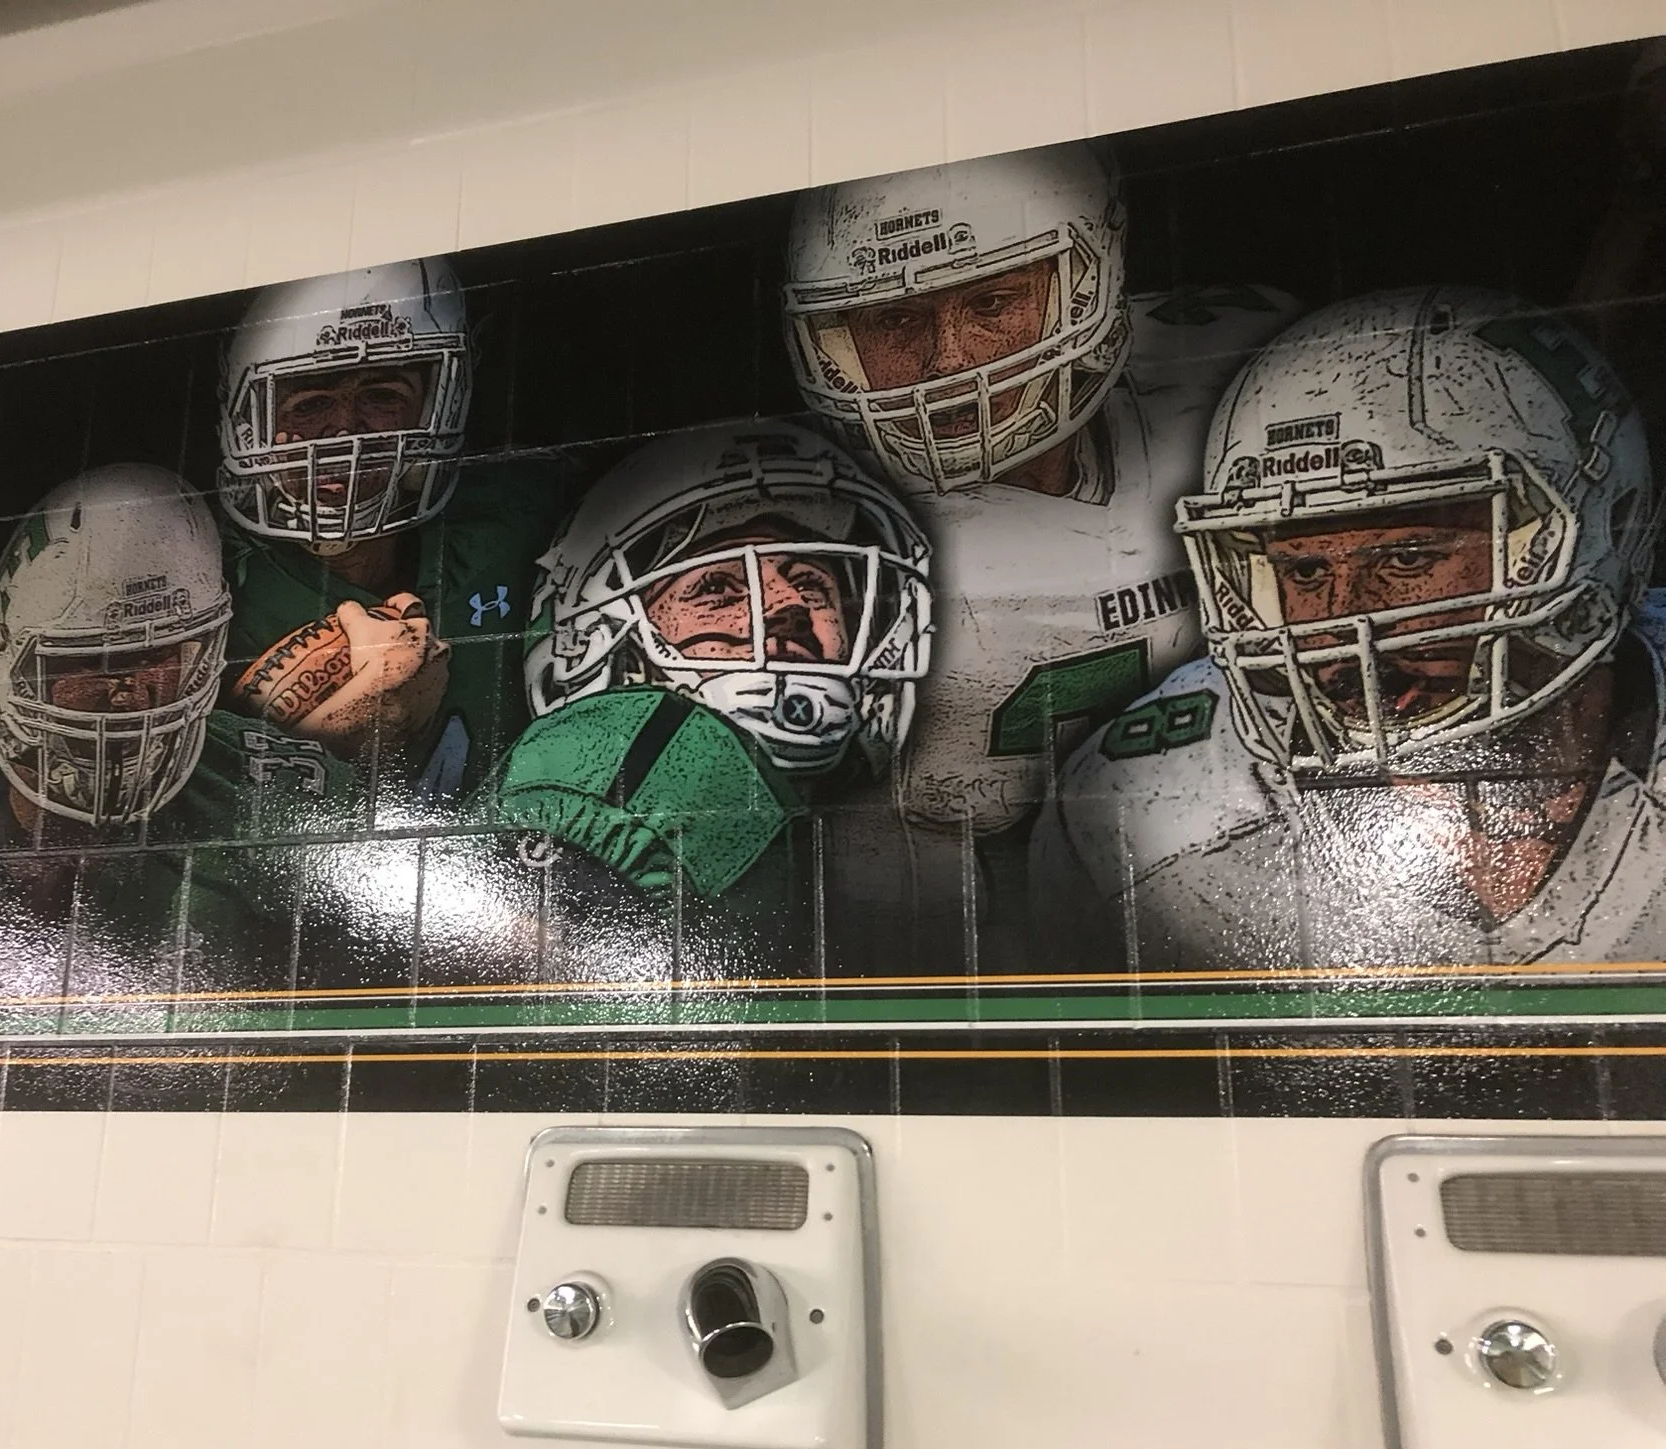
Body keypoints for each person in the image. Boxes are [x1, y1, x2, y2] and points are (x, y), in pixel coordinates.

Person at [1030, 287, 1666, 973]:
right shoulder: (1144, 813)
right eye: (1302, 571)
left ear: (1598, 530)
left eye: (1406, 559)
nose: (1342, 623)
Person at [783, 146, 1302, 851]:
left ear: (1084, 287)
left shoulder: (1236, 375)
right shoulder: (827, 552)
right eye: (897, 321)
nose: (949, 361)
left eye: (991, 302)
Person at [0, 464, 356, 1000]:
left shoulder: (296, 803)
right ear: (4, 661)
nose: (131, 693)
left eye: (160, 655)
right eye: (92, 660)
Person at [465, 422, 959, 983]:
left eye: (813, 584)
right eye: (718, 590)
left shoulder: (896, 840)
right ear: (603, 644)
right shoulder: (606, 794)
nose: (789, 604)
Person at [215, 259, 573, 805]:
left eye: (382, 395)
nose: (345, 433)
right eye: (309, 403)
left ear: (437, 401)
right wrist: (349, 734)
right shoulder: (209, 583)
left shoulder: (519, 518)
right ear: (251, 419)